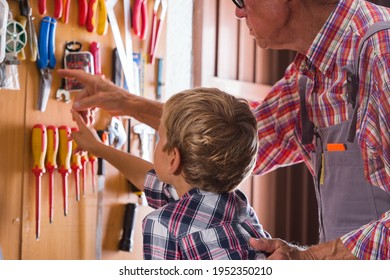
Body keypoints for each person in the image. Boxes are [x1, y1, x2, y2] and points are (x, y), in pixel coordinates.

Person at [58, 0, 390, 259]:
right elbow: (229, 138)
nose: (238, 11)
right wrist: (125, 103)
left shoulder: (381, 50)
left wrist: (312, 259)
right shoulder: (312, 71)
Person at [70, 87, 270, 260]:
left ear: (173, 160)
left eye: (160, 136)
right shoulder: (238, 208)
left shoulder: (164, 226)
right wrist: (98, 148)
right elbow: (152, 182)